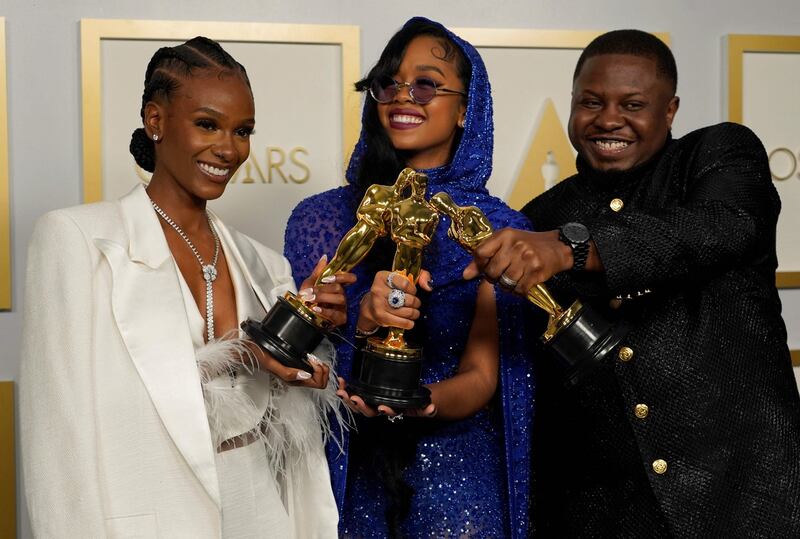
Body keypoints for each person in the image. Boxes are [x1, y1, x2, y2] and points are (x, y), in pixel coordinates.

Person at [464, 29, 800, 537]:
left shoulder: (717, 155)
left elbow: (720, 227)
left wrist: (571, 249)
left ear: (670, 110)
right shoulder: (540, 215)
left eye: (633, 104)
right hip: (605, 515)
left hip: (743, 498)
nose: (608, 119)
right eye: (591, 102)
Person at [19, 37, 353, 538]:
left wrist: (306, 327)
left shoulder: (264, 265)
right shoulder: (78, 240)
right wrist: (243, 352)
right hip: (146, 519)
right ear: (155, 121)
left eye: (243, 131)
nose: (228, 148)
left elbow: (293, 408)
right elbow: (56, 437)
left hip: (263, 516)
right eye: (207, 124)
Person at [284, 17, 534, 538]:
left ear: (467, 108)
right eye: (389, 83)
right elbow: (300, 369)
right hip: (349, 471)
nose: (404, 96)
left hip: (460, 477)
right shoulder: (322, 219)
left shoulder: (502, 230)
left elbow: (485, 376)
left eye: (426, 83)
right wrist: (359, 329)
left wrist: (420, 400)